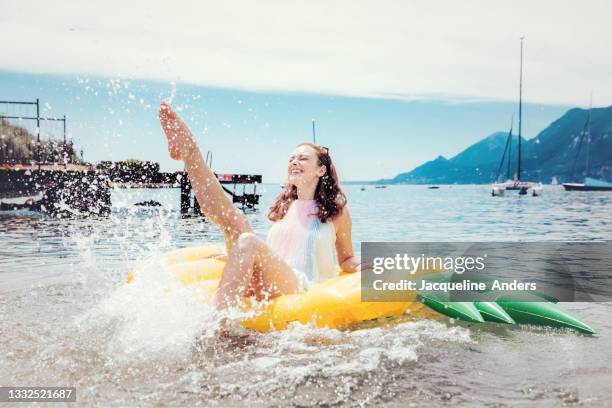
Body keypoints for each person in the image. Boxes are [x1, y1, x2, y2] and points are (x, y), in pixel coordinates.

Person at [158, 101, 360, 309]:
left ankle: (218, 324)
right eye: (291, 158)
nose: (294, 162)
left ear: (321, 170)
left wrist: (370, 266)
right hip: (275, 279)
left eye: (303, 158)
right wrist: (234, 255)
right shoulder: (285, 208)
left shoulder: (336, 210)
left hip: (303, 288)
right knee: (236, 223)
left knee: (247, 241)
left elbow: (346, 258)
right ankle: (190, 153)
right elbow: (279, 253)